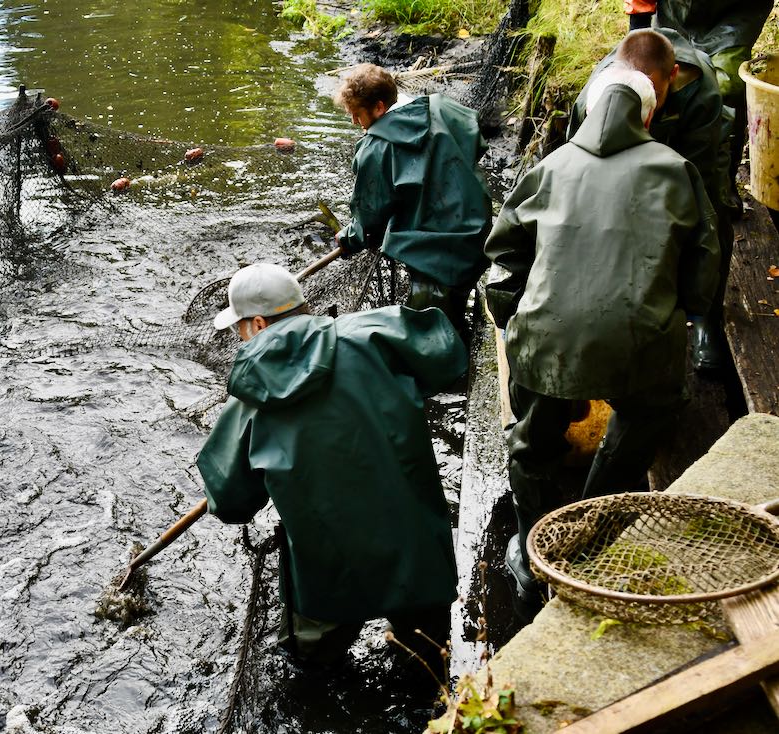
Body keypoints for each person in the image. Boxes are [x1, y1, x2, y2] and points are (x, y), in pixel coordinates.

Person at [485, 67, 720, 601]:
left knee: (530, 442)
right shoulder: (676, 168)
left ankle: (529, 549)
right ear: (649, 114)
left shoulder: (549, 167)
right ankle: (590, 537)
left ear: (587, 109)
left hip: (548, 336)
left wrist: (515, 322)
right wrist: (679, 308)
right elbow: (705, 262)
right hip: (639, 340)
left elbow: (503, 257)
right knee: (651, 409)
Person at [196, 263, 467, 665]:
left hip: (328, 576)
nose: (239, 338)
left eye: (238, 328)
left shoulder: (250, 402)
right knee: (426, 656)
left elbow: (230, 502)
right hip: (418, 551)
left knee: (311, 669)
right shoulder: (375, 333)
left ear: (256, 324)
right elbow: (447, 356)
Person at [568, 28, 733, 370]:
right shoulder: (595, 95)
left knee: (712, 216)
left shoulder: (699, 90)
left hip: (691, 149)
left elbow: (696, 180)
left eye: (655, 94)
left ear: (672, 77)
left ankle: (706, 319)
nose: (648, 103)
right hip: (623, 145)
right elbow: (575, 164)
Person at [332, 63, 491, 336]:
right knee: (458, 304)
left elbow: (369, 214)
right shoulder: (440, 108)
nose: (355, 123)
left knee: (432, 334)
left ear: (379, 108)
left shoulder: (375, 148)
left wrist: (348, 239)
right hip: (479, 231)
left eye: (357, 115)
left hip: (437, 252)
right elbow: (474, 142)